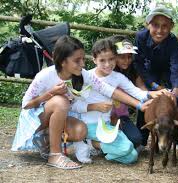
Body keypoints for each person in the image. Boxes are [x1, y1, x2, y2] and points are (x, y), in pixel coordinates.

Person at [11, 35, 151, 169]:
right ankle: (55, 154)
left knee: (80, 131)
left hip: (63, 116)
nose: (83, 64)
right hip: (36, 118)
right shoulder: (45, 75)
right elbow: (26, 104)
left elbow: (108, 90)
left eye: (83, 59)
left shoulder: (83, 74)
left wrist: (141, 102)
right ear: (62, 61)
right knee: (61, 101)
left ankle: (49, 138)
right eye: (77, 60)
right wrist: (51, 93)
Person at [72, 38, 164, 164]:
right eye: (102, 60)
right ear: (94, 60)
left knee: (132, 156)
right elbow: (74, 105)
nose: (107, 64)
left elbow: (136, 92)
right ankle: (90, 143)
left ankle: (94, 144)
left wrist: (153, 93)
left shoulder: (118, 77)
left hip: (106, 125)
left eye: (111, 59)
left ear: (115, 58)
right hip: (88, 124)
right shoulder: (87, 77)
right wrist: (94, 106)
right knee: (127, 147)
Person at [133, 5, 178, 151]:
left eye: (165, 26)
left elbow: (177, 67)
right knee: (146, 99)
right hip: (149, 73)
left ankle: (176, 139)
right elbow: (138, 64)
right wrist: (156, 87)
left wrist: (174, 92)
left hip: (170, 74)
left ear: (171, 26)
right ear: (148, 25)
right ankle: (142, 139)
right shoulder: (140, 37)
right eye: (155, 25)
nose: (159, 30)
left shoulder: (173, 42)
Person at [109, 35, 145, 148]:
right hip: (103, 114)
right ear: (113, 55)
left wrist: (153, 97)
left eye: (129, 57)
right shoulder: (106, 72)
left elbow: (141, 89)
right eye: (122, 57)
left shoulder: (132, 70)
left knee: (136, 139)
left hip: (121, 115)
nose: (127, 61)